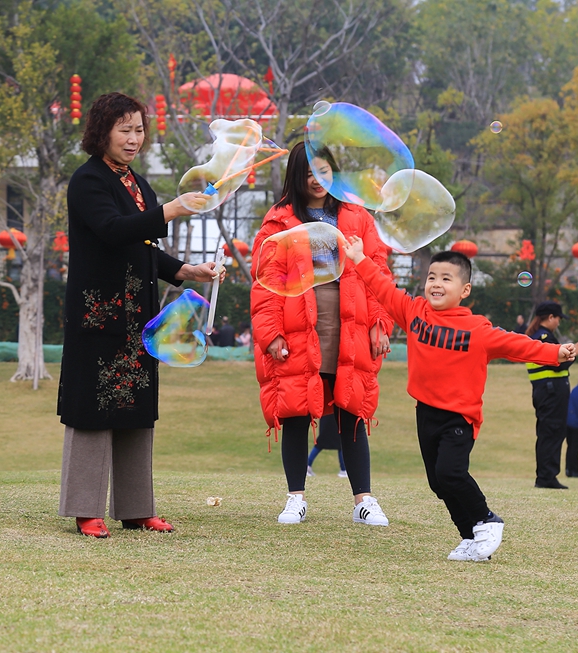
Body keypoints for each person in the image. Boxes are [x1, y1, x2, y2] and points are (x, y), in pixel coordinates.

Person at [343, 237, 574, 561]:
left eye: (446, 278)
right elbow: (383, 289)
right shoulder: (413, 312)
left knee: (452, 473)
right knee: (439, 483)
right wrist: (359, 258)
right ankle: (471, 538)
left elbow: (518, 345)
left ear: (464, 290)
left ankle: (488, 520)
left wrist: (556, 352)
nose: (436, 284)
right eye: (432, 277)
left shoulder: (476, 329)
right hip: (425, 413)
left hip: (459, 416)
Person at [57, 92, 222, 538]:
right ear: (101, 132)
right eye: (124, 129)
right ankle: (85, 509)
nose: (134, 139)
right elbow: (113, 231)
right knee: (92, 408)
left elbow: (144, 245)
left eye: (138, 129)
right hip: (100, 315)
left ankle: (136, 509)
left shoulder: (138, 183)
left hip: (139, 318)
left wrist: (185, 270)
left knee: (136, 410)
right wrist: (171, 210)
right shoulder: (87, 181)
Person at [250, 141, 393, 527]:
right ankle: (295, 497)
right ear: (295, 176)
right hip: (298, 324)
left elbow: (378, 271)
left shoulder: (357, 217)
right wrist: (271, 335)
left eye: (324, 171)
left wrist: (381, 323)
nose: (317, 180)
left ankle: (363, 500)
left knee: (351, 409)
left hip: (350, 322)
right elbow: (265, 285)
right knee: (296, 409)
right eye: (309, 172)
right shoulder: (279, 220)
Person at [526, 301, 578, 489]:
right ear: (550, 317)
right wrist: (575, 352)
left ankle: (546, 476)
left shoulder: (538, 336)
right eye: (558, 318)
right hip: (551, 392)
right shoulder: (544, 337)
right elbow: (560, 363)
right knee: (552, 432)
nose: (558, 322)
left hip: (546, 391)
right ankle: (547, 477)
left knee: (548, 432)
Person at [306, 413, 347, 478]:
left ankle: (343, 469)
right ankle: (343, 470)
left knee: (338, 444)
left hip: (327, 417)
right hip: (333, 417)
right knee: (339, 444)